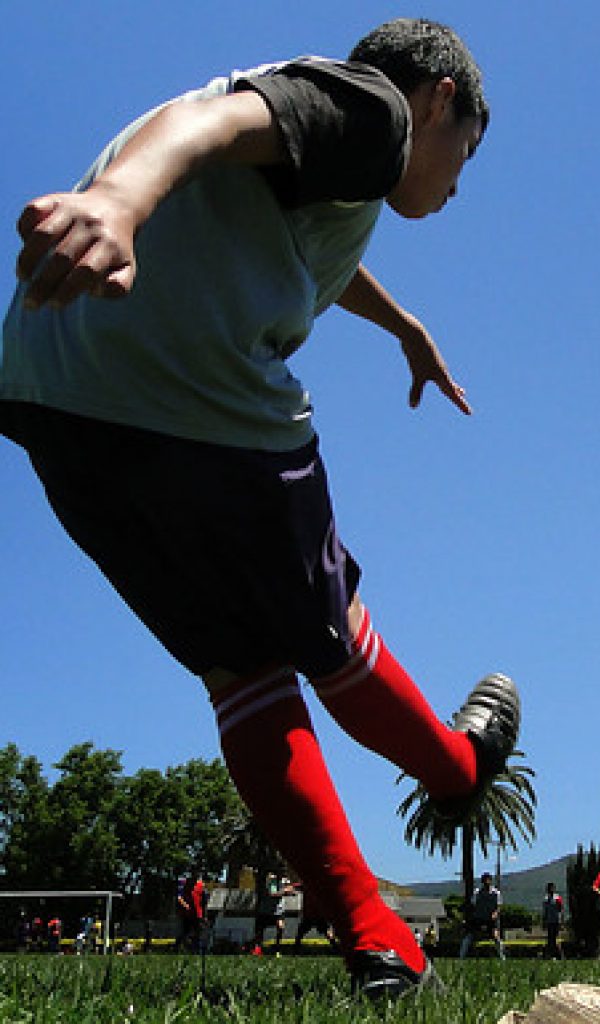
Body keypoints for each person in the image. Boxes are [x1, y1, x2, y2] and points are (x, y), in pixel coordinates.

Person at [1, 17, 520, 1003]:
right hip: (200, 399)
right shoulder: (375, 109)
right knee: (330, 642)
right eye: (466, 155)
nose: (455, 185)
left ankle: (377, 945)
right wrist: (117, 200)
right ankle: (458, 769)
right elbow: (211, 128)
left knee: (241, 670)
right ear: (441, 101)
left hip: (58, 397)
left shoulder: (333, 158)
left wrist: (402, 325)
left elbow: (291, 198)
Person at [459, 872, 505, 960]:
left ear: (491, 881)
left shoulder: (496, 893)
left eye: (488, 880)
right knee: (469, 936)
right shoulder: (477, 893)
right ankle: (461, 957)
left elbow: (499, 906)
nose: (486, 883)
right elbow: (473, 905)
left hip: (491, 919)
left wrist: (495, 913)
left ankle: (502, 957)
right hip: (478, 918)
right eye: (484, 881)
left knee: (496, 937)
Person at [541, 881, 565, 960]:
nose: (549, 890)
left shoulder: (557, 898)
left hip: (556, 921)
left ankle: (559, 955)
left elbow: (561, 910)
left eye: (551, 888)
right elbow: (545, 911)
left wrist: (561, 921)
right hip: (549, 921)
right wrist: (544, 921)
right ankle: (550, 955)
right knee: (550, 939)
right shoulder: (545, 899)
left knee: (554, 938)